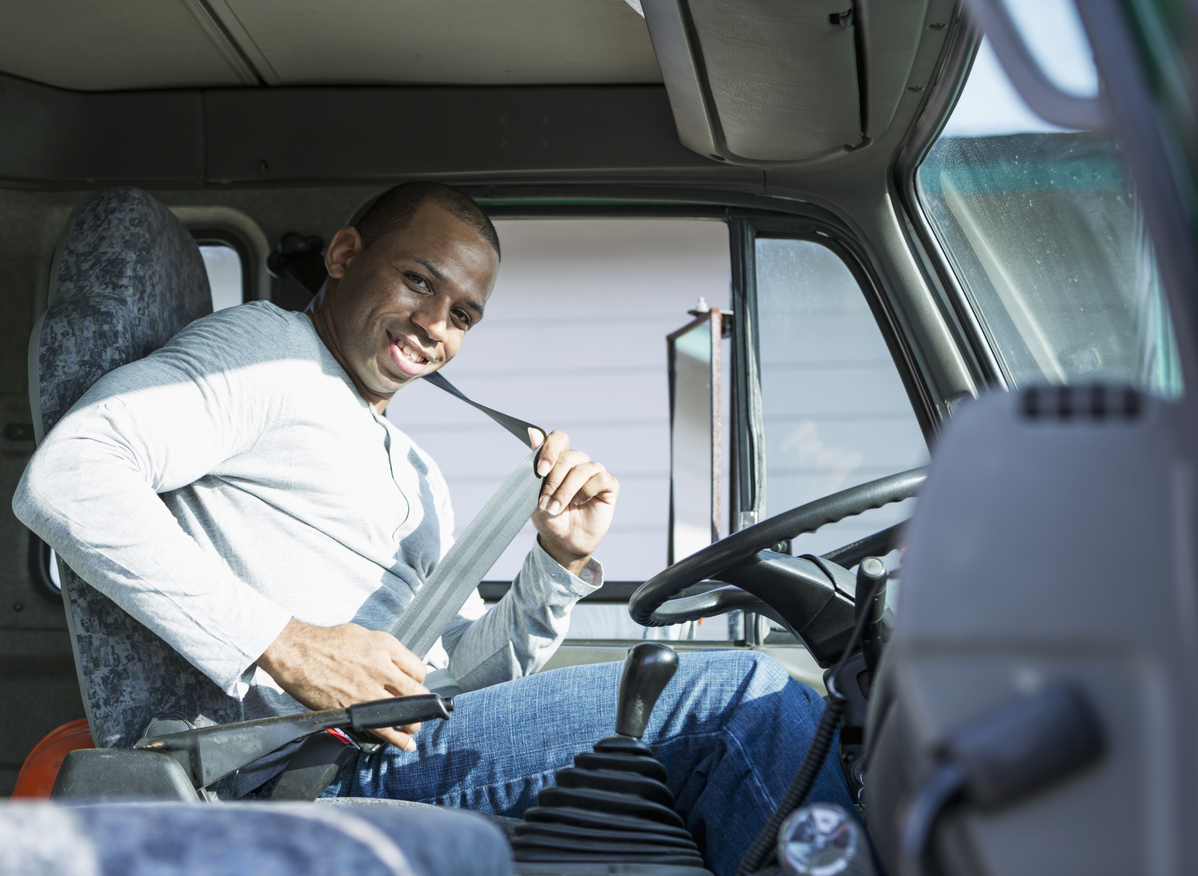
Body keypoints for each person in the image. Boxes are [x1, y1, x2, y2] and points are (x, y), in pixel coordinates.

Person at [13, 182, 852, 876]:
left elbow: (451, 680)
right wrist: (289, 643)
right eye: (419, 282)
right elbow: (67, 478)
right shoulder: (262, 353)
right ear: (344, 257)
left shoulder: (410, 468)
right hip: (290, 769)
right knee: (738, 698)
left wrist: (555, 565)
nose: (435, 326)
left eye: (462, 315)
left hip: (378, 747)